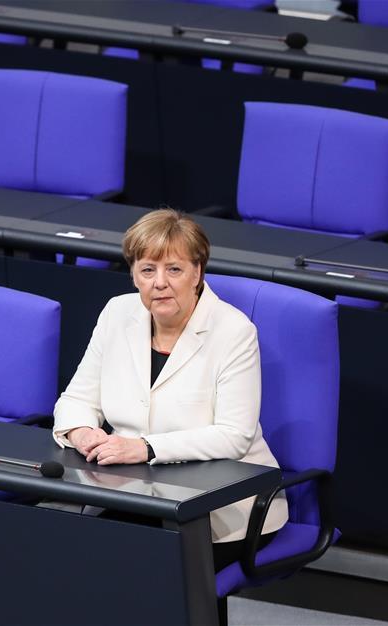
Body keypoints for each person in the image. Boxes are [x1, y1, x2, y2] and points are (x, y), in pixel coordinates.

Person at [52, 208, 287, 571]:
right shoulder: (117, 313)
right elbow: (76, 399)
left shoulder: (233, 332)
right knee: (72, 553)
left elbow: (234, 436)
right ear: (133, 275)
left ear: (198, 272)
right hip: (138, 494)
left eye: (173, 269)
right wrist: (82, 433)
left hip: (224, 509)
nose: (159, 282)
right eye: (147, 270)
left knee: (130, 566)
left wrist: (145, 448)